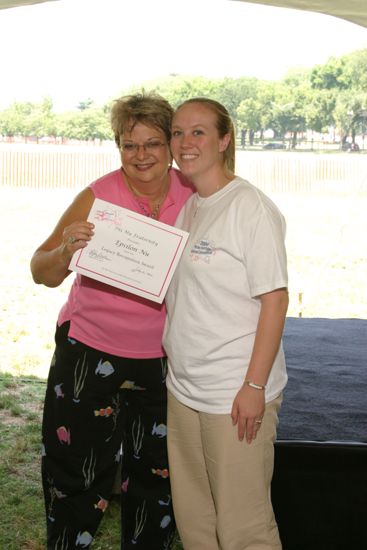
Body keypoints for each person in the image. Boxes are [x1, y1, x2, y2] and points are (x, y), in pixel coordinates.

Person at [30, 92, 193, 550]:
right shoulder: (98, 195)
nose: (140, 156)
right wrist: (65, 251)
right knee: (76, 470)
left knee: (156, 477)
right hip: (90, 351)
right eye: (128, 144)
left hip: (164, 358)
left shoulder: (195, 194)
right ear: (118, 146)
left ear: (170, 145)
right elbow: (40, 271)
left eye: (153, 143)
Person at [163, 98, 289, 550]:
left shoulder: (249, 207)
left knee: (244, 529)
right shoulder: (193, 206)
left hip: (233, 394)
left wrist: (254, 387)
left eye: (199, 132)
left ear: (224, 139)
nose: (185, 142)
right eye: (178, 132)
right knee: (196, 521)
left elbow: (275, 300)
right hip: (185, 390)